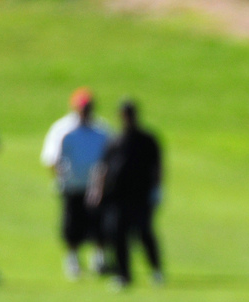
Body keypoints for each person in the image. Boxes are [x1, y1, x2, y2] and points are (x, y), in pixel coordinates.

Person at [89, 99, 163, 288]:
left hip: (140, 195)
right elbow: (103, 167)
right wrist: (97, 190)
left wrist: (157, 190)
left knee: (144, 233)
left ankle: (156, 271)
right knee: (117, 234)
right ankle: (124, 275)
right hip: (116, 196)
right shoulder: (115, 140)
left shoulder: (147, 140)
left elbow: (157, 167)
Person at [40, 88, 111, 280]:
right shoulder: (63, 129)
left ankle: (99, 259)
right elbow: (51, 158)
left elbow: (110, 157)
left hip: (95, 187)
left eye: (89, 108)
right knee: (72, 225)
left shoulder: (101, 130)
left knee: (98, 224)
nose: (86, 111)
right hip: (72, 185)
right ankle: (73, 260)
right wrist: (58, 177)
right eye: (83, 108)